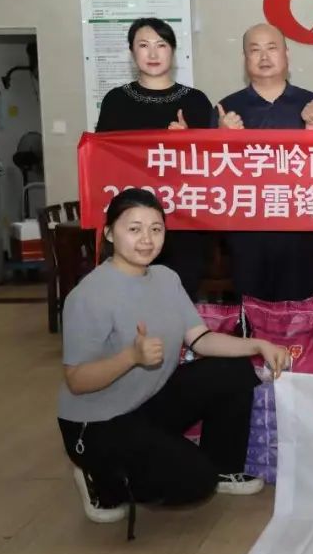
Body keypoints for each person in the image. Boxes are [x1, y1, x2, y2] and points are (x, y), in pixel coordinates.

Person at [57, 189, 291, 532]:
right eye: (134, 229)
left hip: (145, 402)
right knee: (194, 483)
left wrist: (258, 344)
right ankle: (100, 477)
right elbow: (76, 380)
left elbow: (201, 339)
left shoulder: (166, 278)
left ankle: (223, 467)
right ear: (109, 233)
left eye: (156, 229)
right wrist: (131, 357)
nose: (146, 239)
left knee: (233, 369)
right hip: (97, 423)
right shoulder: (88, 295)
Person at [94, 18, 218, 299]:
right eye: (143, 45)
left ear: (172, 51)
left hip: (184, 220)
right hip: (132, 221)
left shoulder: (196, 101)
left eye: (161, 45)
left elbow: (214, 164)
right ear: (132, 52)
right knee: (130, 296)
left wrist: (189, 141)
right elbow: (103, 157)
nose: (152, 53)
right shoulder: (116, 100)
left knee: (180, 294)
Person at [216, 23, 313, 302]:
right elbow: (211, 175)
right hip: (246, 232)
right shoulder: (227, 108)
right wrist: (221, 138)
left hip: (299, 231)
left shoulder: (312, 104)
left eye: (272, 48)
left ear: (287, 54)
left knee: (297, 312)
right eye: (255, 50)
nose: (264, 57)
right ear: (245, 59)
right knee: (250, 311)